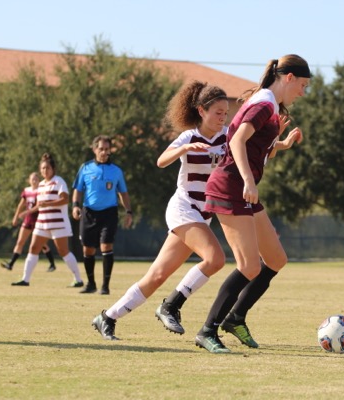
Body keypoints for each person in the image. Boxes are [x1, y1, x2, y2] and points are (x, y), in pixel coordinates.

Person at [91, 81, 229, 340]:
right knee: (216, 259)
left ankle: (107, 317)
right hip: (184, 209)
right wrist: (185, 149)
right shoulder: (189, 136)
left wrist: (279, 143)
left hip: (202, 215)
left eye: (225, 113)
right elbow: (161, 160)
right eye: (217, 113)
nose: (223, 118)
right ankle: (171, 306)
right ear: (201, 111)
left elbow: (251, 152)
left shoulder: (228, 136)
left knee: (156, 275)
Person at [193, 54, 310, 353]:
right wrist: (247, 180)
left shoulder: (269, 105)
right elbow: (236, 142)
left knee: (275, 260)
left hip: (241, 188)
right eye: (303, 85)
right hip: (231, 186)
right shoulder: (263, 103)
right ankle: (208, 330)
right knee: (247, 266)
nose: (303, 92)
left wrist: (280, 143)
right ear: (289, 78)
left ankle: (235, 318)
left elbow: (256, 148)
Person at [72, 135, 133, 295]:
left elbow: (123, 193)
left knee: (106, 246)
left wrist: (128, 211)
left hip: (109, 213)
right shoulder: (85, 168)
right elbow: (78, 190)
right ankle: (91, 284)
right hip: (89, 213)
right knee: (88, 250)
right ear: (94, 149)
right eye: (101, 149)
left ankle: (105, 286)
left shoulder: (116, 171)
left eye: (107, 149)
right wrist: (75, 206)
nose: (104, 152)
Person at [12, 153, 84, 287]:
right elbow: (40, 205)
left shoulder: (59, 181)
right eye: (43, 168)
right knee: (33, 248)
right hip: (42, 222)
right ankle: (25, 279)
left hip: (58, 223)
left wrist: (50, 203)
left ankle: (78, 280)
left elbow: (65, 199)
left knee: (63, 251)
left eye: (48, 168)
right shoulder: (41, 185)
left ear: (53, 169)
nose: (45, 171)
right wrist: (26, 212)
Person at [0, 172, 57, 272]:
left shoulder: (41, 190)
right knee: (20, 242)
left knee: (42, 244)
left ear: (39, 181)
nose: (34, 181)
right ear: (29, 180)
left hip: (38, 219)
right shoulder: (26, 190)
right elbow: (21, 205)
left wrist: (26, 212)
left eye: (36, 179)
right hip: (28, 219)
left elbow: (38, 206)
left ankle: (52, 264)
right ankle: (11, 264)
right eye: (33, 179)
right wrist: (15, 217)